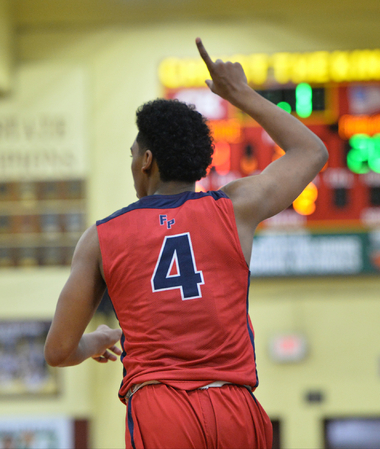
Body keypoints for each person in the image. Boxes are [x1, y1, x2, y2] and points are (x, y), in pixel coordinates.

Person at [44, 38, 328, 449]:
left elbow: (58, 349)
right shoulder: (235, 209)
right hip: (234, 404)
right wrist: (240, 94)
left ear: (146, 161)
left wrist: (99, 339)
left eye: (132, 153)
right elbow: (311, 151)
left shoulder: (101, 238)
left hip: (162, 406)